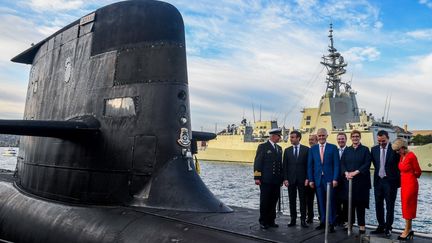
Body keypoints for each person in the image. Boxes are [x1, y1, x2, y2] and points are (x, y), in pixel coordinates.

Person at [307, 128, 340, 232]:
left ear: (326, 136)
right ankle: (323, 222)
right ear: (317, 137)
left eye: (323, 135)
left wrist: (335, 178)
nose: (321, 137)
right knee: (320, 202)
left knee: (330, 202)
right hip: (318, 180)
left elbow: (336, 165)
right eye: (319, 136)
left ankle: (331, 223)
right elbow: (310, 166)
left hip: (330, 179)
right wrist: (311, 180)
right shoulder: (313, 149)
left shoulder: (333, 148)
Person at [341, 130, 371, 234]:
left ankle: (362, 225)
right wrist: (346, 173)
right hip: (349, 182)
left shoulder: (365, 150)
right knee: (349, 204)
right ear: (351, 138)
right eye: (353, 136)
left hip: (361, 182)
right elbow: (342, 163)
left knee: (360, 204)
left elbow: (367, 164)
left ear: (360, 137)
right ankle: (349, 223)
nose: (355, 138)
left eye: (357, 136)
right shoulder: (347, 150)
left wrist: (355, 172)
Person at [370, 130, 400, 237]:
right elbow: (374, 163)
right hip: (378, 181)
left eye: (383, 141)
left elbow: (399, 165)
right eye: (379, 141)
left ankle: (388, 227)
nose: (381, 143)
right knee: (378, 205)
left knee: (390, 206)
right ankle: (381, 226)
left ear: (388, 138)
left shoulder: (394, 150)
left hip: (390, 182)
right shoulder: (373, 150)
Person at [391, 138, 422, 240]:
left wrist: (410, 176)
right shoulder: (402, 156)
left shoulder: (411, 156)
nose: (397, 152)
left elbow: (418, 172)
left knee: (408, 205)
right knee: (405, 206)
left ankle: (406, 230)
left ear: (403, 147)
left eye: (398, 150)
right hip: (404, 184)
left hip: (411, 184)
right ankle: (409, 229)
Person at [254, 128, 283, 229]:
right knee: (265, 201)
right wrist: (257, 177)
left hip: (276, 180)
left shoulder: (279, 148)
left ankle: (271, 220)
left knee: (273, 201)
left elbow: (280, 165)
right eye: (279, 136)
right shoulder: (263, 147)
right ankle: (263, 221)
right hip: (265, 180)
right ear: (273, 136)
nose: (280, 138)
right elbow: (258, 162)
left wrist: (282, 178)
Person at [283, 131, 309, 228]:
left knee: (303, 201)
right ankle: (293, 219)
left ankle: (303, 220)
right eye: (291, 137)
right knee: (292, 200)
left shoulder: (306, 150)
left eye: (293, 137)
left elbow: (308, 166)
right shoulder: (287, 150)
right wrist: (285, 179)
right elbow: (284, 166)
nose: (291, 139)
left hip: (302, 180)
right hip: (290, 180)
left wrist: (307, 178)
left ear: (298, 138)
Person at [305, 134, 318, 223]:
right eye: (309, 140)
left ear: (317, 140)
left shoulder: (321, 150)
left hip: (319, 179)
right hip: (309, 180)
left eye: (312, 139)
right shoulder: (307, 151)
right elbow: (305, 166)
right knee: (308, 200)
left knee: (321, 200)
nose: (310, 141)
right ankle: (309, 217)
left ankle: (323, 218)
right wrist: (307, 178)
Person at [335, 133, 347, 227]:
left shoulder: (349, 150)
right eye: (339, 139)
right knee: (337, 200)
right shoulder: (335, 150)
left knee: (346, 201)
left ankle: (346, 220)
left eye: (342, 139)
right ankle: (338, 218)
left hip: (346, 179)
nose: (341, 141)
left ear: (346, 139)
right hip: (336, 179)